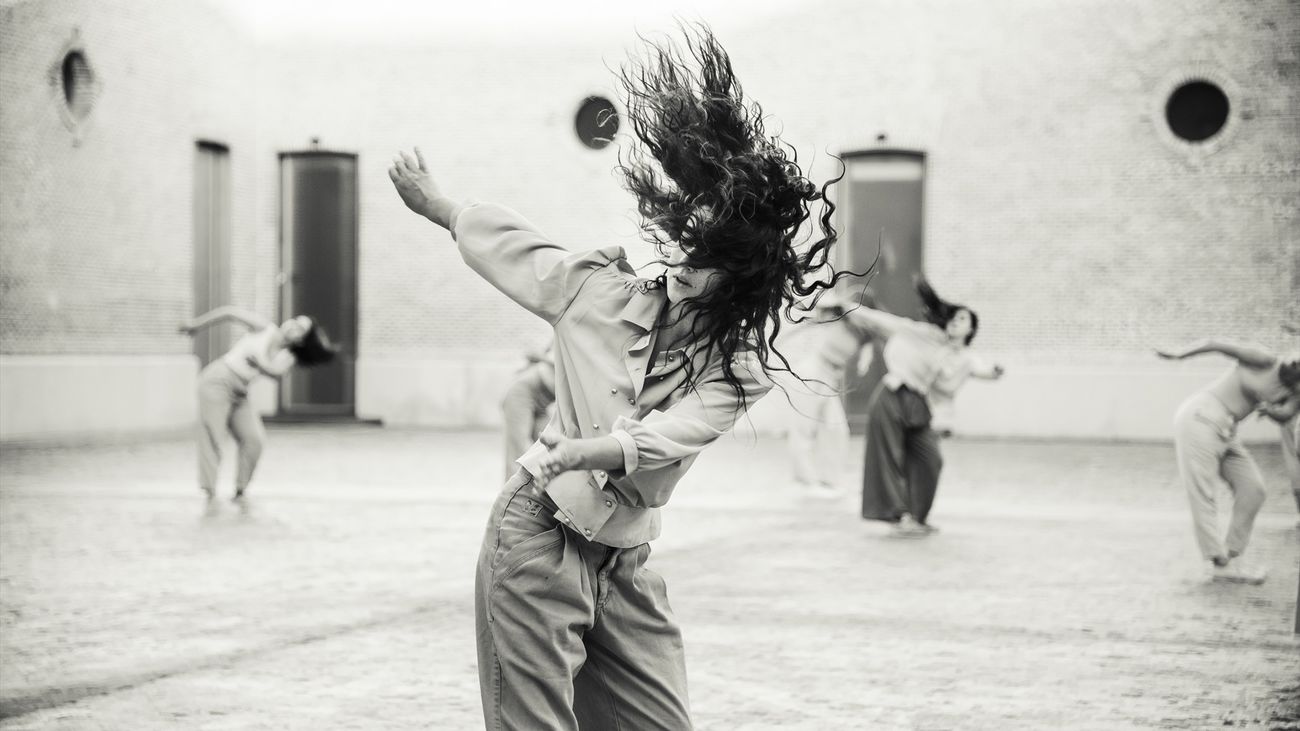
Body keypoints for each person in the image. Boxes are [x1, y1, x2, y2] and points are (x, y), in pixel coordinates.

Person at [388, 24, 854, 730]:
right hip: (538, 535)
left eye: (709, 253)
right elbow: (525, 252)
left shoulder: (739, 368)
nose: (687, 260)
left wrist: (589, 450)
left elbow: (673, 433)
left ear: (745, 270)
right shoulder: (599, 291)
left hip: (625, 562)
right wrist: (441, 207)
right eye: (688, 242)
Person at [853, 279, 1004, 536]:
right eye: (955, 317)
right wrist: (848, 308)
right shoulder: (926, 334)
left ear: (971, 329)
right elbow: (883, 322)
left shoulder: (966, 357)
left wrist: (994, 372)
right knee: (889, 456)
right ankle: (897, 516)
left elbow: (982, 369)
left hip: (918, 405)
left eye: (964, 319)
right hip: (892, 395)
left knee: (931, 459)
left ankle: (917, 516)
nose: (957, 321)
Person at [1155, 340, 1300, 583]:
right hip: (1200, 418)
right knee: (1203, 492)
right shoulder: (1266, 359)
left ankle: (1231, 556)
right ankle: (1219, 563)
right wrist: (1181, 354)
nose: (1294, 362)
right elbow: (1216, 344)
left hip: (1226, 429)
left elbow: (1285, 414)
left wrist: (1271, 411)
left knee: (1253, 489)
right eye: (1295, 357)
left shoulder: (1295, 392)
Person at [178, 307, 336, 503]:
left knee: (254, 440)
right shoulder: (264, 328)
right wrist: (196, 325)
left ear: (301, 340)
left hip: (240, 392)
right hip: (218, 381)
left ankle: (240, 490)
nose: (292, 325)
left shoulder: (288, 355)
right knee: (213, 437)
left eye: (299, 328)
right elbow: (230, 312)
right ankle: (209, 492)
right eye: (295, 320)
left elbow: (277, 374)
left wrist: (261, 366)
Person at [784, 292, 875, 497]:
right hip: (811, 371)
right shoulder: (838, 316)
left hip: (829, 379)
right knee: (803, 427)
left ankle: (829, 479)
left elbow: (868, 349)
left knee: (836, 428)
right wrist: (841, 302)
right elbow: (816, 303)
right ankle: (804, 480)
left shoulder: (865, 332)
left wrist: (865, 361)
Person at [501, 341, 557, 480]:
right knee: (519, 453)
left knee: (545, 448)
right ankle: (512, 499)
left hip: (543, 400)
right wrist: (542, 357)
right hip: (524, 393)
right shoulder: (569, 335)